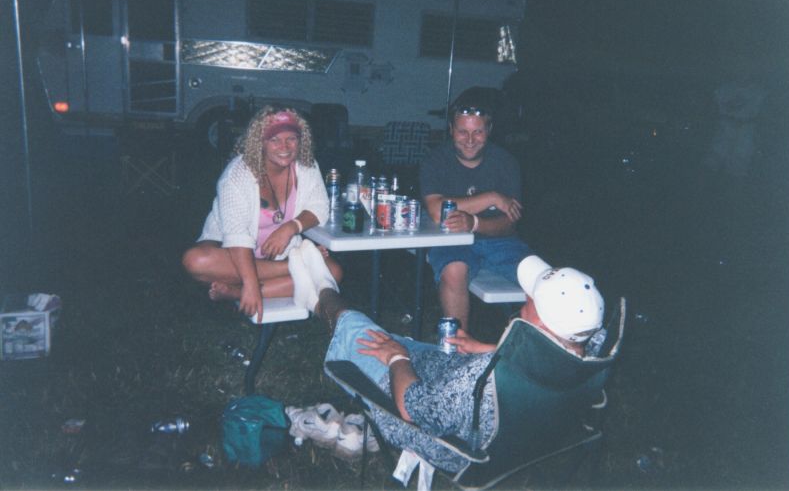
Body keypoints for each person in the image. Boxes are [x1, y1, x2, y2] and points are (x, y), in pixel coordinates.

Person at [288, 243, 605, 473]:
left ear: (542, 324)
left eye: (531, 300)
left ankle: (322, 293)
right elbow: (539, 357)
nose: (526, 296)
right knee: (383, 336)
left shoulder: (479, 378)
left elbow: (412, 408)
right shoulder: (584, 354)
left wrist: (397, 359)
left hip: (439, 435)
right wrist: (487, 347)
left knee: (355, 330)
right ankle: (320, 298)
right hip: (478, 410)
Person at [182, 105, 342, 320]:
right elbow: (236, 235)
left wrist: (290, 227)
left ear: (301, 140)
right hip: (231, 252)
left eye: (291, 138)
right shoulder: (237, 175)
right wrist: (251, 281)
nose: (284, 147)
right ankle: (296, 264)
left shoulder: (307, 166)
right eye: (274, 139)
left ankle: (237, 291)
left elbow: (319, 207)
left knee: (334, 272)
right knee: (195, 261)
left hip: (280, 254)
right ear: (260, 142)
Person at [419, 88, 533, 331]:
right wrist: (492, 197)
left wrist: (474, 223)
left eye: (477, 132)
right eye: (463, 131)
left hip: (501, 243)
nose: (470, 140)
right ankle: (457, 346)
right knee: (454, 270)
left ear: (488, 131)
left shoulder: (506, 163)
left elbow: (509, 224)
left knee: (543, 279)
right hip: (451, 240)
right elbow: (438, 211)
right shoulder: (435, 160)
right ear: (451, 129)